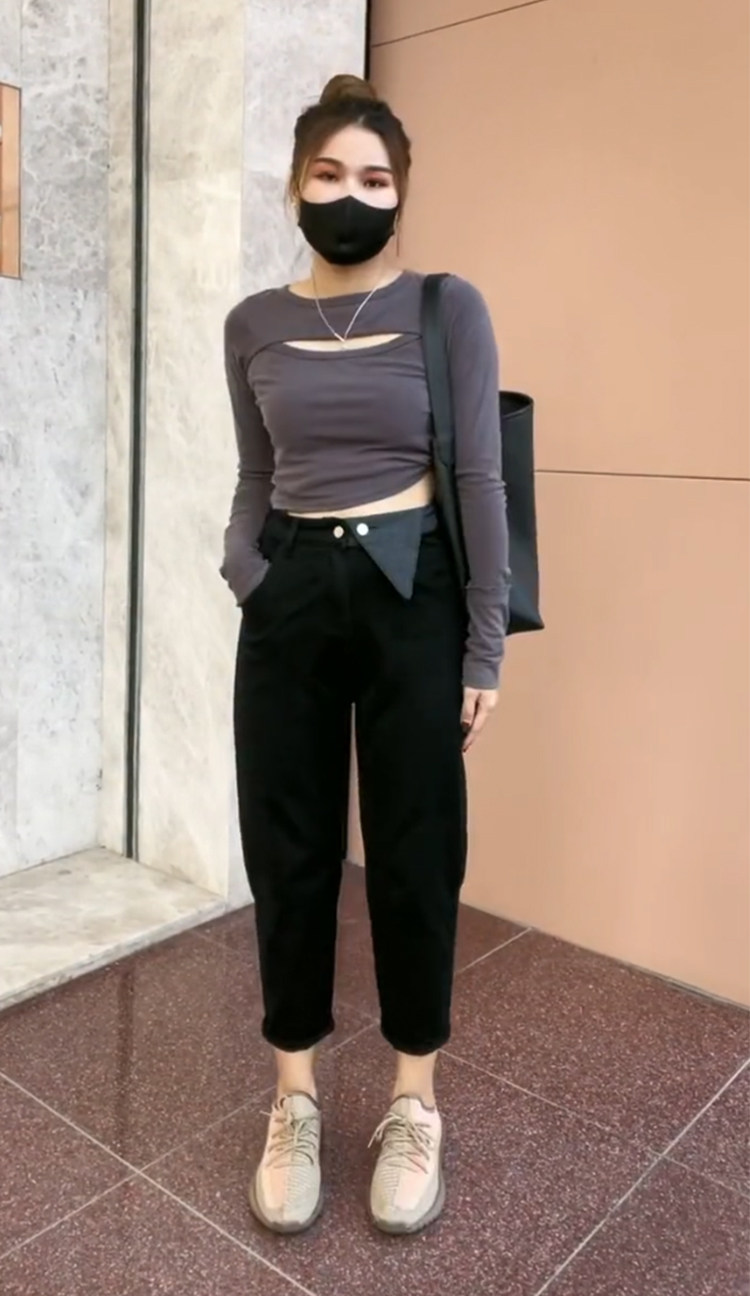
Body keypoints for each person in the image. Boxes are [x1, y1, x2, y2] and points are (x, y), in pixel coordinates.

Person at [221, 73, 510, 1237]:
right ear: (296, 185)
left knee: (413, 855)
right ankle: (293, 1098)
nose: (353, 194)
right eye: (331, 173)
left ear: (402, 194)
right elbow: (254, 471)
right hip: (290, 596)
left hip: (412, 596)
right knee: (287, 850)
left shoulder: (448, 308)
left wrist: (483, 646)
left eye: (376, 179)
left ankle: (413, 1101)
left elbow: (479, 478)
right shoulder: (253, 323)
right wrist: (246, 568)